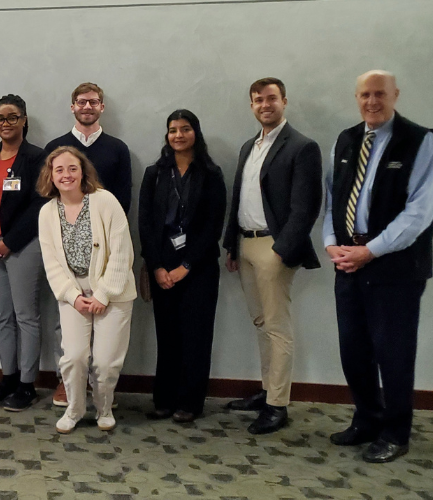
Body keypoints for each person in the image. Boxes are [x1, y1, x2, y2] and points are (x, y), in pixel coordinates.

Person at [323, 70, 433, 463]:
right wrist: (332, 244)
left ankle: (395, 432)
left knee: (394, 353)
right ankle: (367, 419)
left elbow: (419, 213)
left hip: (396, 268)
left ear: (395, 95)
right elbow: (333, 198)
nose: (372, 101)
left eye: (380, 94)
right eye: (365, 94)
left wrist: (371, 251)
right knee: (354, 350)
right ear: (356, 97)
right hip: (348, 263)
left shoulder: (422, 141)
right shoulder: (346, 139)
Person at [221, 77, 323, 435]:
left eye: (271, 98)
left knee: (277, 327)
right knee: (261, 323)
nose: (265, 105)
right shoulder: (250, 146)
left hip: (274, 247)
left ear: (284, 101)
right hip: (246, 243)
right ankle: (267, 392)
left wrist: (283, 250)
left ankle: (278, 406)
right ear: (251, 106)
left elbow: (306, 207)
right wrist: (232, 245)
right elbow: (239, 199)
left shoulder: (301, 147)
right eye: (258, 100)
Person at [44, 82, 132, 407]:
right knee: (66, 316)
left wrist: (111, 243)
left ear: (102, 107)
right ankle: (67, 382)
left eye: (93, 102)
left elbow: (124, 202)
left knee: (103, 315)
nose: (87, 106)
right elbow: (47, 196)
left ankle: (99, 385)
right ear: (72, 107)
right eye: (81, 102)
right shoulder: (55, 147)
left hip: (106, 249)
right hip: (67, 249)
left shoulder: (117, 149)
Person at [37, 146, 135, 434]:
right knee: (75, 357)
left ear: (83, 172)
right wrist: (74, 297)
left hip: (112, 291)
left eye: (72, 168)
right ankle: (75, 408)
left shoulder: (105, 201)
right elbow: (51, 263)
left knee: (105, 363)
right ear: (51, 176)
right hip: (73, 294)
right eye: (59, 170)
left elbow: (121, 253)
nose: (66, 175)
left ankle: (104, 409)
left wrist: (102, 294)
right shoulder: (46, 213)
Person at [138, 110, 227, 423]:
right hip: (162, 267)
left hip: (198, 267)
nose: (178, 135)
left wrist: (186, 265)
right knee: (168, 336)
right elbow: (146, 223)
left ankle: (189, 403)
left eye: (185, 129)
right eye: (173, 130)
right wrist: (157, 266)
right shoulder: (155, 173)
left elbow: (213, 226)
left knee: (196, 337)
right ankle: (164, 400)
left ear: (195, 133)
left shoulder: (211, 173)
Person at [0, 94, 48, 411]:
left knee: (25, 316)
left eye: (12, 117)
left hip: (23, 246)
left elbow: (40, 202)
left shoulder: (35, 156)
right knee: (2, 316)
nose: (5, 124)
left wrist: (11, 241)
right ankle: (7, 376)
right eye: (0, 118)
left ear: (24, 120)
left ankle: (26, 384)